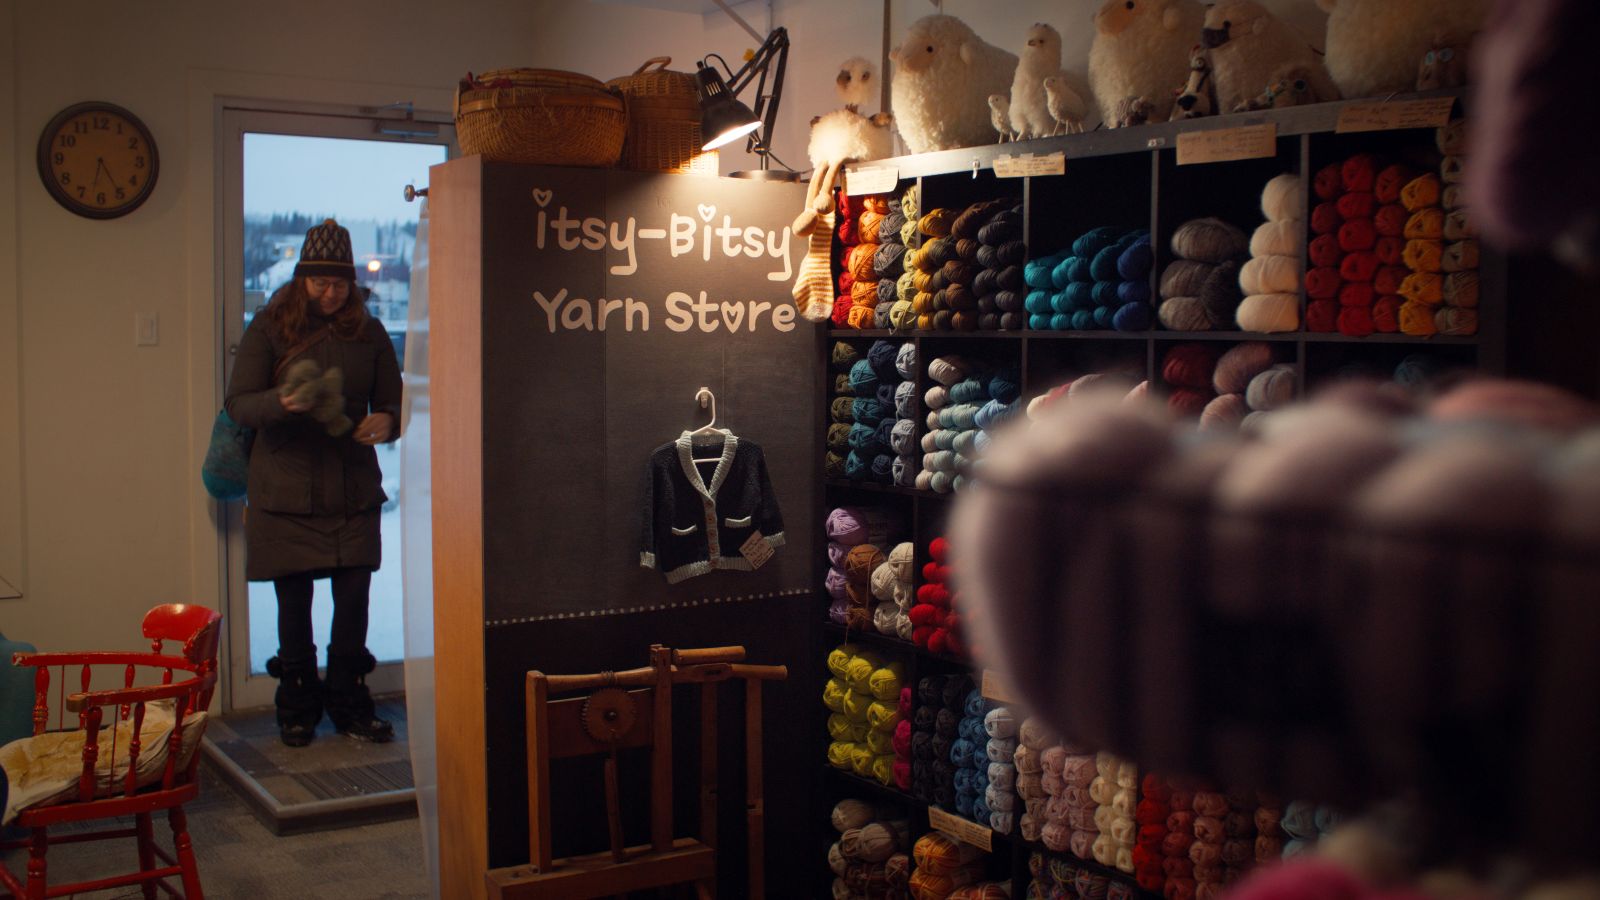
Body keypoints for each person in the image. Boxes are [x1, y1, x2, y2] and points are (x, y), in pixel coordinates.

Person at [224, 218, 402, 747]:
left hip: (351, 486)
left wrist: (388, 420)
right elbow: (238, 404)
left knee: (354, 599)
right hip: (285, 487)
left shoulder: (369, 332)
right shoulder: (270, 327)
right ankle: (297, 706)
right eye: (320, 282)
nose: (330, 293)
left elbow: (392, 400)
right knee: (293, 602)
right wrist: (281, 402)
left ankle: (349, 702)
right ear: (301, 279)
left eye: (339, 283)